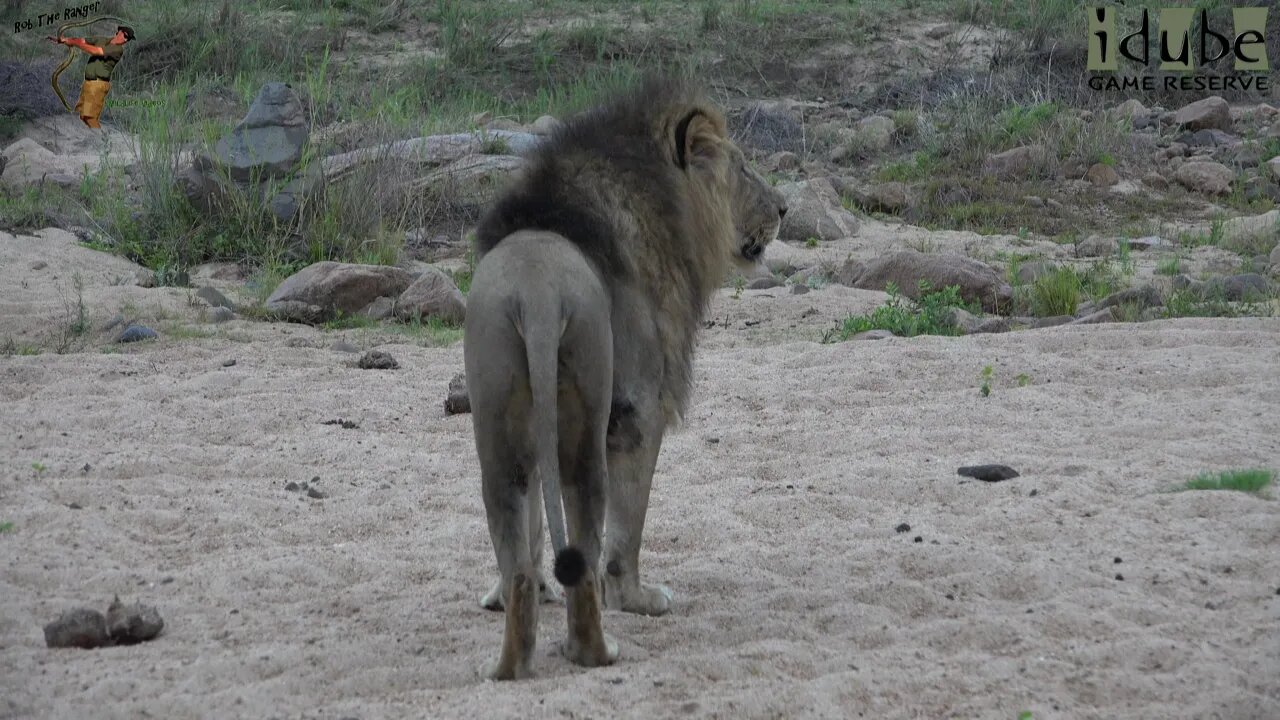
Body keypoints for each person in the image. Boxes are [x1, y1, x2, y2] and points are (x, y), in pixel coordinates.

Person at [46, 26, 134, 129]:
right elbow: (83, 40)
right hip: (88, 84)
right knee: (80, 114)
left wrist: (74, 43)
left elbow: (96, 51)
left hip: (98, 85)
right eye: (125, 35)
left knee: (89, 117)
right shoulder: (102, 39)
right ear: (119, 32)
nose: (125, 39)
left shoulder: (117, 50)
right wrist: (65, 40)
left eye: (127, 39)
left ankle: (98, 140)